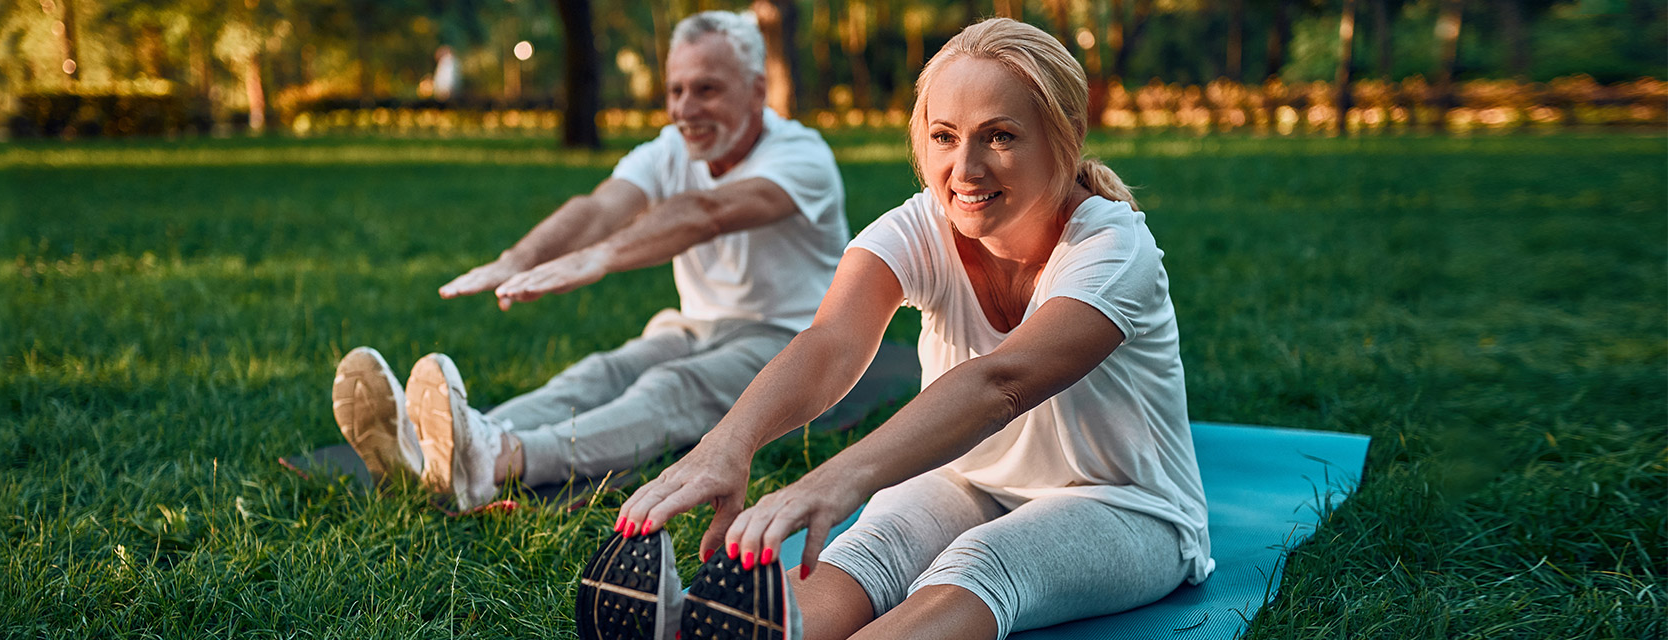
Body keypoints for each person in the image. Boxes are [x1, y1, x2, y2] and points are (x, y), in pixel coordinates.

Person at [602, 17, 1212, 640]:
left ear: (1066, 136)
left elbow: (999, 383)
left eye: (999, 136)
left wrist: (836, 478)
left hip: (1125, 506)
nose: (965, 169)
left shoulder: (1113, 249)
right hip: (965, 478)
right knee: (870, 548)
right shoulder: (921, 225)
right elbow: (832, 343)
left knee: (980, 565)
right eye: (944, 137)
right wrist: (728, 445)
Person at [332, 10, 848, 512]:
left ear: (757, 91)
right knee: (596, 374)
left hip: (792, 337)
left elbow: (706, 213)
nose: (685, 109)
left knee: (673, 387)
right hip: (696, 326)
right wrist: (516, 259)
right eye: (676, 91)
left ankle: (500, 460)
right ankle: (432, 446)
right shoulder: (671, 148)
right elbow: (601, 207)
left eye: (707, 89)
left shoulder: (802, 158)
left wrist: (601, 258)